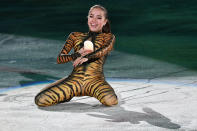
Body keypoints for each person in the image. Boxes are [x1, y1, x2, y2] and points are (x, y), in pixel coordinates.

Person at [35, 5, 118, 107]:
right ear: (87, 18)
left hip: (95, 81)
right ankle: (64, 83)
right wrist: (77, 54)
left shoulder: (108, 37)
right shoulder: (75, 36)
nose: (94, 20)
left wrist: (87, 57)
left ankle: (67, 84)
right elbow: (60, 59)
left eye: (99, 17)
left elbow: (104, 50)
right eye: (91, 16)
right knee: (41, 100)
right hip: (74, 81)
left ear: (105, 21)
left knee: (111, 101)